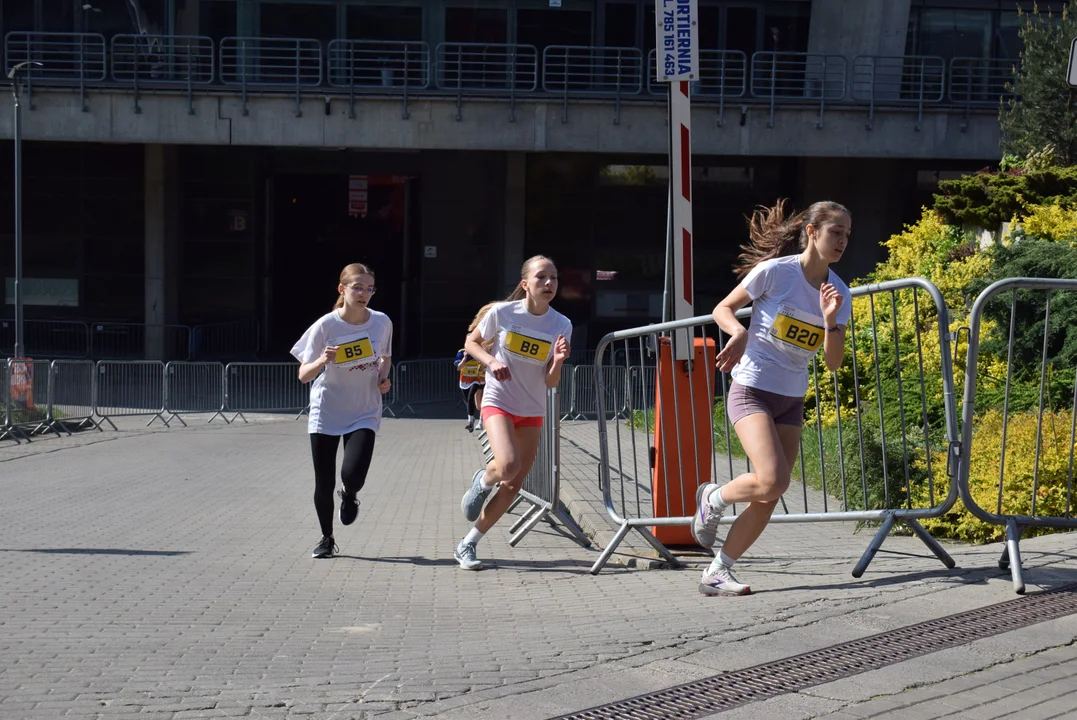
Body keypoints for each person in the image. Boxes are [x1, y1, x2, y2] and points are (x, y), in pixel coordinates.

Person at [692, 200, 852, 596]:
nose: (843, 241)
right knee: (773, 479)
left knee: (770, 492)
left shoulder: (839, 291)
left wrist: (830, 320)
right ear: (812, 232)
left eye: (848, 235)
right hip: (752, 389)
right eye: (836, 232)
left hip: (791, 398)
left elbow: (833, 363)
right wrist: (739, 333)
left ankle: (718, 571)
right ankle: (713, 497)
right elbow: (723, 308)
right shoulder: (775, 272)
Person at [454, 256, 572, 570]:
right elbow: (471, 343)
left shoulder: (561, 324)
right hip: (499, 400)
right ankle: (484, 479)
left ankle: (468, 544)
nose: (549, 284)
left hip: (532, 408)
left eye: (554, 278)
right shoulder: (503, 313)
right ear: (525, 284)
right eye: (542, 278)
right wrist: (492, 363)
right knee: (507, 465)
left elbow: (549, 381)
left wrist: (558, 361)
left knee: (513, 484)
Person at [291, 263, 393, 559]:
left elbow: (385, 356)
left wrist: (383, 378)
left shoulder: (382, 322)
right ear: (342, 290)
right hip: (327, 410)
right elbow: (303, 375)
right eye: (357, 287)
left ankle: (350, 495)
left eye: (369, 288)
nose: (364, 294)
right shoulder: (326, 326)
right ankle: (326, 538)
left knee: (353, 474)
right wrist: (323, 360)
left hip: (364, 409)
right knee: (324, 480)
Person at [454, 302, 497, 433]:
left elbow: (488, 363)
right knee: (475, 403)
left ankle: (472, 421)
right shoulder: (462, 352)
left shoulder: (483, 351)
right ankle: (480, 420)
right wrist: (465, 359)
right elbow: (458, 367)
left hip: (480, 380)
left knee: (474, 396)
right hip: (466, 380)